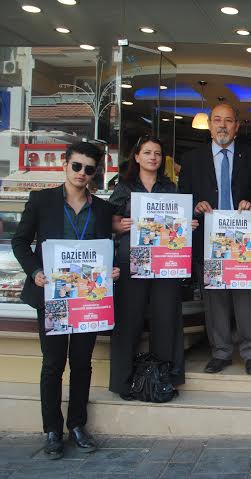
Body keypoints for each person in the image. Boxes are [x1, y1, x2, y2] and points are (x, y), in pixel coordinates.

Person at [12, 142, 120, 459]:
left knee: (82, 363)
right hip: (54, 295)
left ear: (95, 173)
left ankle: (77, 425)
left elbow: (104, 249)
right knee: (53, 364)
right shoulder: (41, 200)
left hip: (88, 298)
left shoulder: (103, 210)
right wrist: (35, 272)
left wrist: (111, 270)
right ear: (65, 164)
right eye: (77, 166)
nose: (81, 173)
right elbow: (20, 242)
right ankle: (51, 430)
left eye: (89, 169)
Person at [108, 136, 198, 399]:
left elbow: (179, 222)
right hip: (131, 260)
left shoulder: (170, 188)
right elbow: (110, 222)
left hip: (165, 261)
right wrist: (118, 226)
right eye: (147, 152)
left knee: (166, 318)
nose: (152, 157)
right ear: (137, 157)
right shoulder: (124, 187)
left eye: (157, 153)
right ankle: (124, 382)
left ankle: (165, 379)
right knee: (128, 320)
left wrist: (187, 226)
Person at [179, 104, 251, 375]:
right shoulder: (192, 159)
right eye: (217, 120)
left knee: (247, 298)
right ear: (210, 125)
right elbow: (183, 197)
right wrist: (195, 206)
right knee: (215, 299)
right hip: (209, 238)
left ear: (237, 126)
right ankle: (221, 352)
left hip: (243, 239)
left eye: (228, 120)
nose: (223, 125)